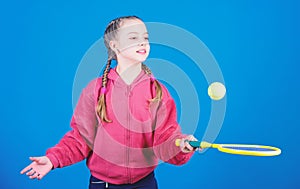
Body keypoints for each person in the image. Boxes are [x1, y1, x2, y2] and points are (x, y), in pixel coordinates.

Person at [21, 15, 197, 189]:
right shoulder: (95, 90)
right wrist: (53, 159)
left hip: (145, 183)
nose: (142, 42)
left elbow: (165, 138)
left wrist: (181, 145)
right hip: (102, 184)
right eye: (133, 37)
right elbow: (80, 138)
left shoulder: (158, 92)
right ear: (115, 45)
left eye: (145, 38)